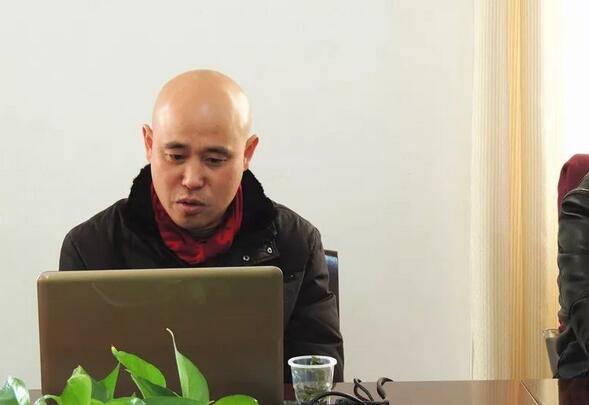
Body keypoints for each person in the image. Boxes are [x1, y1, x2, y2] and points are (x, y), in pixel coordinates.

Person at [59, 69, 344, 382]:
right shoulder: (91, 249)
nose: (192, 179)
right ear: (149, 144)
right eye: (175, 156)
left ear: (247, 153)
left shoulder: (296, 243)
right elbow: (74, 385)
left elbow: (319, 380)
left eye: (214, 160)